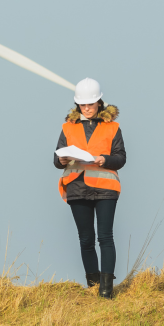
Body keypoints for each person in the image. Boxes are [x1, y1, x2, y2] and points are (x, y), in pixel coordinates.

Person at [54, 78, 125, 299]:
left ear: (99, 103)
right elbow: (57, 160)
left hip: (105, 188)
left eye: (91, 104)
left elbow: (121, 158)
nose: (87, 108)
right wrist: (63, 161)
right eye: (83, 105)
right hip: (77, 187)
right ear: (78, 105)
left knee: (105, 237)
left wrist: (105, 159)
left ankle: (106, 290)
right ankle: (93, 286)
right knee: (85, 239)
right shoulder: (67, 127)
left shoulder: (113, 128)